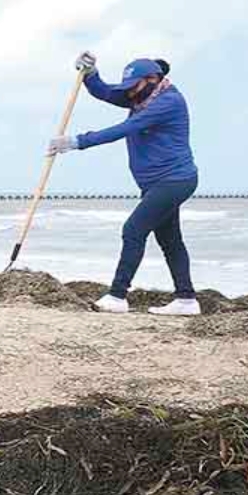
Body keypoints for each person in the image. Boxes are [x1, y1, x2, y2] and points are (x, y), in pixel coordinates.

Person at [48, 52, 200, 316]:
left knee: (133, 230)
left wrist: (77, 142)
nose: (128, 94)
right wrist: (91, 73)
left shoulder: (168, 102)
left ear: (152, 79)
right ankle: (186, 299)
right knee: (171, 240)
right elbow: (105, 93)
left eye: (133, 87)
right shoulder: (140, 96)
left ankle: (117, 296)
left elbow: (127, 128)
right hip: (154, 183)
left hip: (175, 179)